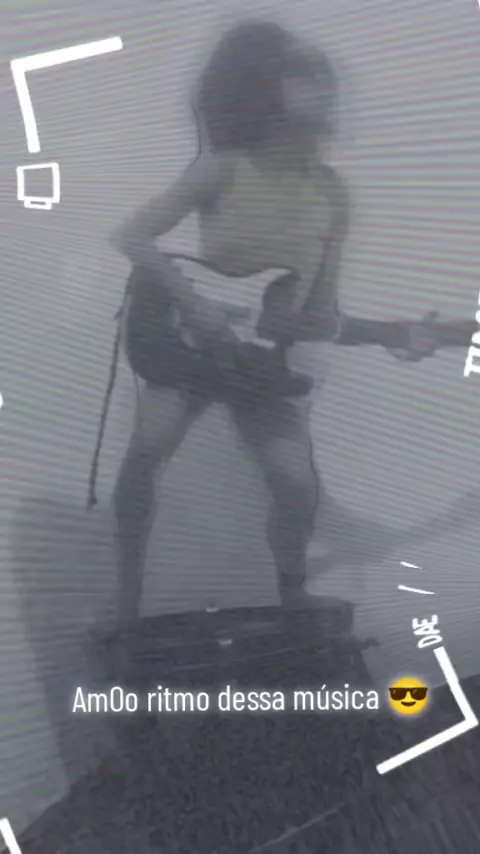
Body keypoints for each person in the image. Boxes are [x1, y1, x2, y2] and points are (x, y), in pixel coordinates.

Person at [108, 20, 439, 625]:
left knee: (296, 483)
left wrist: (395, 334)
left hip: (261, 359)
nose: (320, 90)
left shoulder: (333, 193)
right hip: (186, 345)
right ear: (265, 88)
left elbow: (319, 314)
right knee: (148, 449)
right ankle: (125, 605)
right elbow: (132, 235)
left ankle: (295, 600)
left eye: (321, 79)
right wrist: (194, 304)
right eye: (300, 77)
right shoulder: (224, 166)